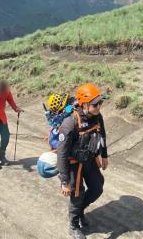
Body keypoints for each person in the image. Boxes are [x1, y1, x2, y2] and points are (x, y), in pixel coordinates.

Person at [57, 83, 109, 239]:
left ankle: (79, 211)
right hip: (73, 164)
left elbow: (103, 136)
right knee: (77, 194)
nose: (99, 106)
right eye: (95, 104)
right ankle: (73, 226)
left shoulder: (97, 116)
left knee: (97, 187)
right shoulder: (70, 123)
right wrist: (65, 181)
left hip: (90, 160)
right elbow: (62, 154)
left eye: (100, 102)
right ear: (84, 104)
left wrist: (104, 155)